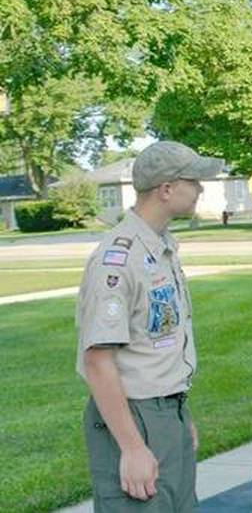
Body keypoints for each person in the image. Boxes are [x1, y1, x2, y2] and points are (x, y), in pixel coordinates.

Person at [76, 141, 223, 511]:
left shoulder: (161, 247)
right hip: (132, 416)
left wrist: (177, 415)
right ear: (167, 189)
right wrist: (131, 446)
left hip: (166, 412)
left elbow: (161, 341)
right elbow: (98, 361)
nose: (201, 189)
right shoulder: (117, 260)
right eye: (194, 181)